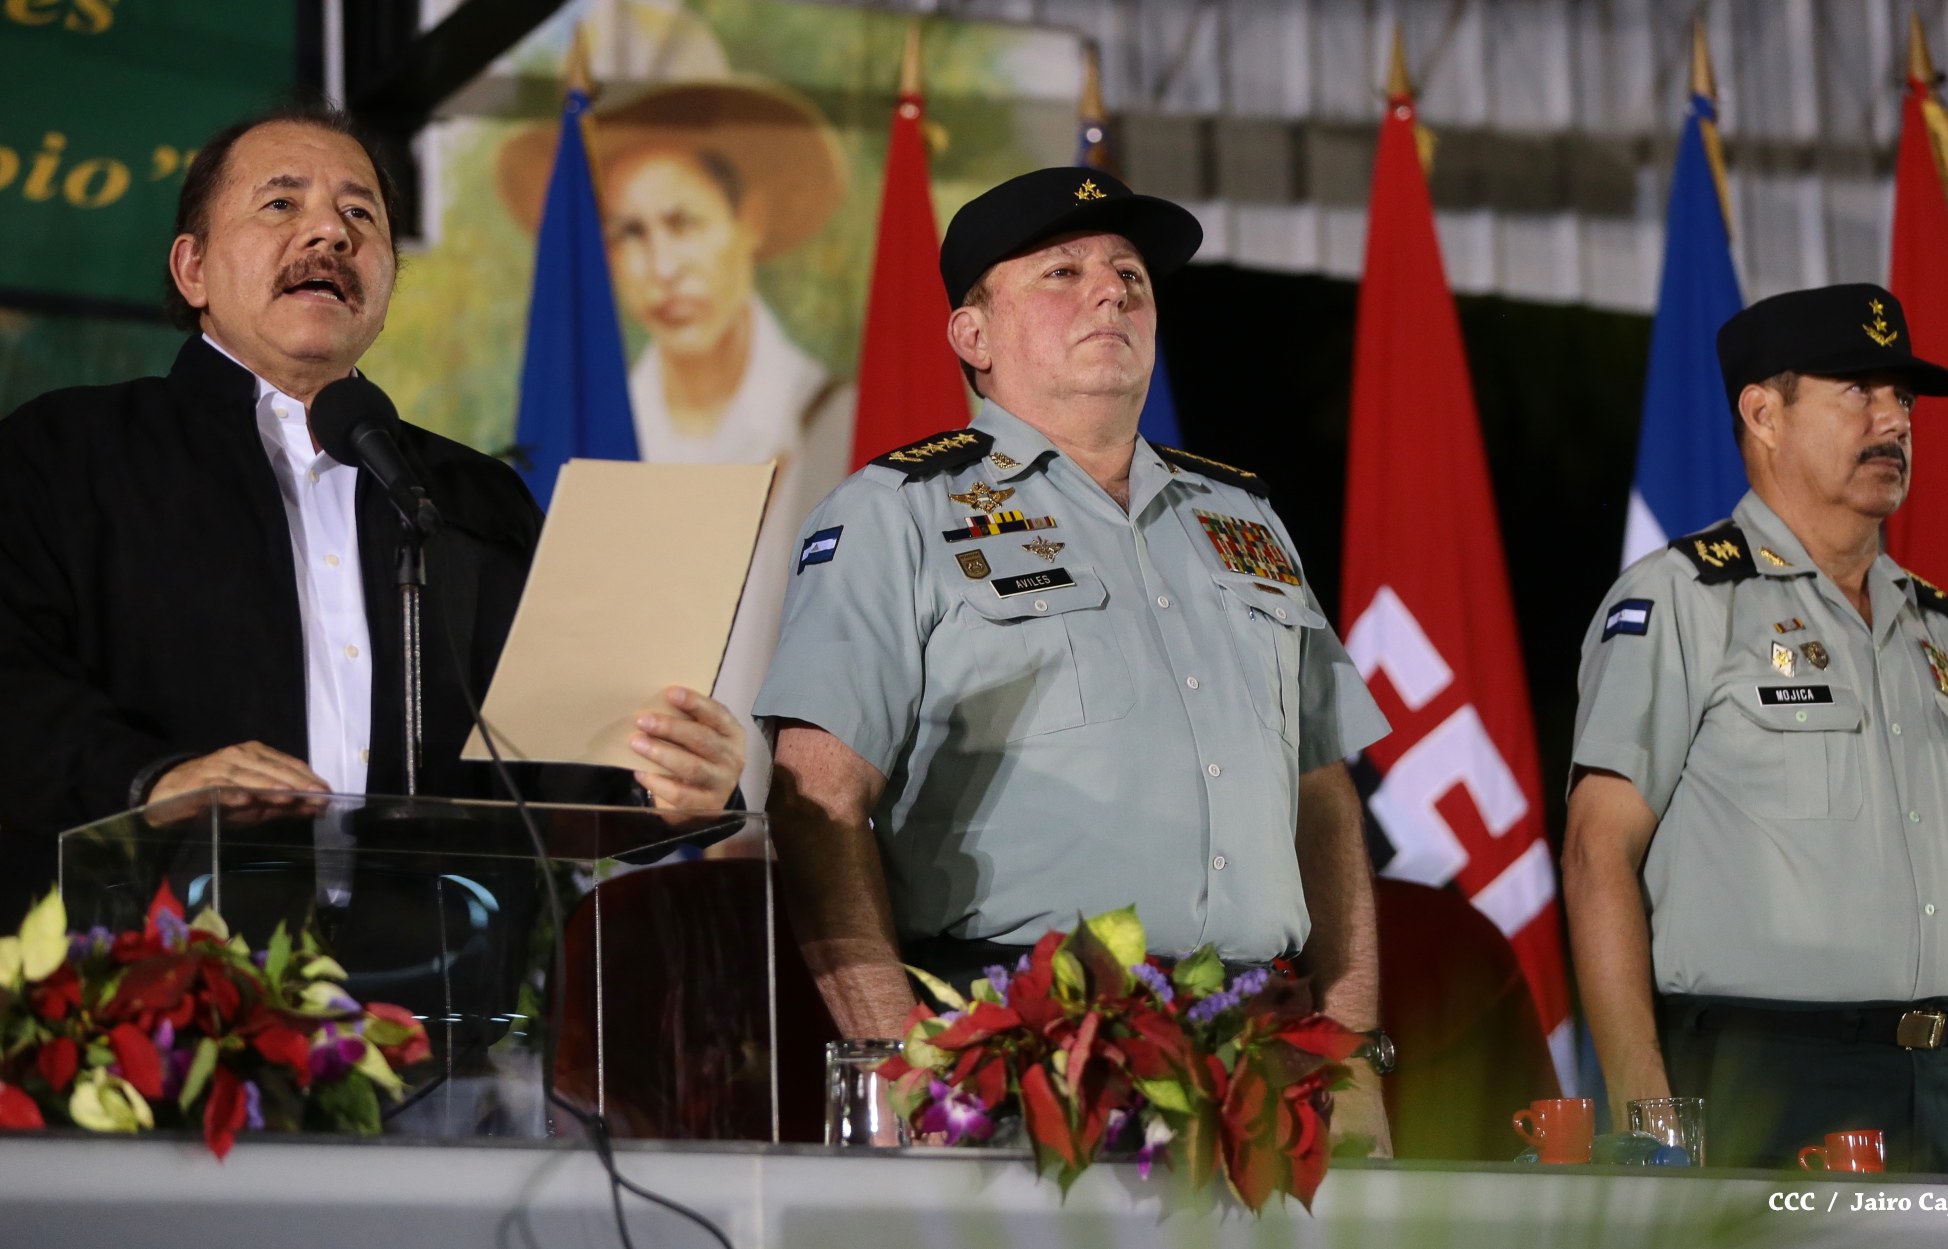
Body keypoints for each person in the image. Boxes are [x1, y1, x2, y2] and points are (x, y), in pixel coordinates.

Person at [754, 167, 1396, 1149]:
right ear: (973, 337)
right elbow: (816, 804)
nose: (1111, 294)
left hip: (1256, 1050)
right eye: (1062, 272)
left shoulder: (1243, 519)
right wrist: (899, 1068)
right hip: (1018, 1046)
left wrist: (1349, 1053)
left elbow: (1324, 798)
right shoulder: (897, 514)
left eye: (1130, 277)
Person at [0, 105, 745, 927]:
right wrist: (153, 781)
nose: (331, 233)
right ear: (194, 269)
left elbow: (549, 763)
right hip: (154, 970)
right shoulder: (66, 453)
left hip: (433, 978)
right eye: (281, 203)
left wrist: (663, 781)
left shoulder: (470, 495)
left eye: (360, 214)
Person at [1563, 283, 1948, 1173]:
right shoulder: (1684, 598)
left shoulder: (1934, 624)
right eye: (1859, 390)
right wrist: (1652, 1122)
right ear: (1764, 414)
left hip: (1942, 1087)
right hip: (1763, 1080)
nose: (1894, 421)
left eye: (1903, 398)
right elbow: (1594, 854)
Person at [496, 20, 851, 812]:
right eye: (628, 233)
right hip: (627, 847)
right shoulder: (592, 446)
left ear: (748, 220)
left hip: (803, 846)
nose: (661, 267)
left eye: (684, 222)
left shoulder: (839, 424)